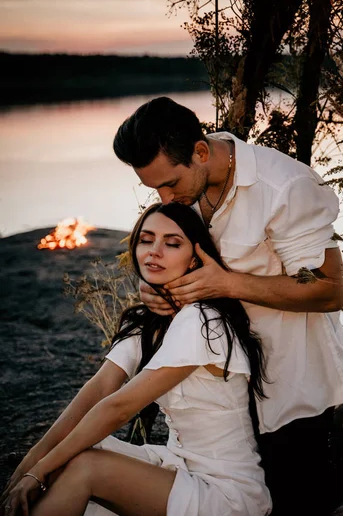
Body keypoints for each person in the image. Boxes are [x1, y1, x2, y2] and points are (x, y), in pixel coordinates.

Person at [112, 96, 343, 515]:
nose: (164, 198)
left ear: (200, 152)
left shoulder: (285, 188)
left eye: (171, 184)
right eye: (154, 188)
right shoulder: (183, 191)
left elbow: (328, 291)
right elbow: (177, 260)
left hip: (290, 391)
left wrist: (227, 284)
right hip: (221, 396)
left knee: (295, 504)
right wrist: (158, 291)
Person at [1, 202, 272, 516]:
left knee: (85, 466)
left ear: (195, 257)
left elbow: (118, 407)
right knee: (71, 455)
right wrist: (27, 467)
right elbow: (100, 389)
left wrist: (38, 472)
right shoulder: (150, 320)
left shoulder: (201, 320)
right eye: (146, 240)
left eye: (172, 244)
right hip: (178, 467)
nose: (155, 251)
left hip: (226, 493)